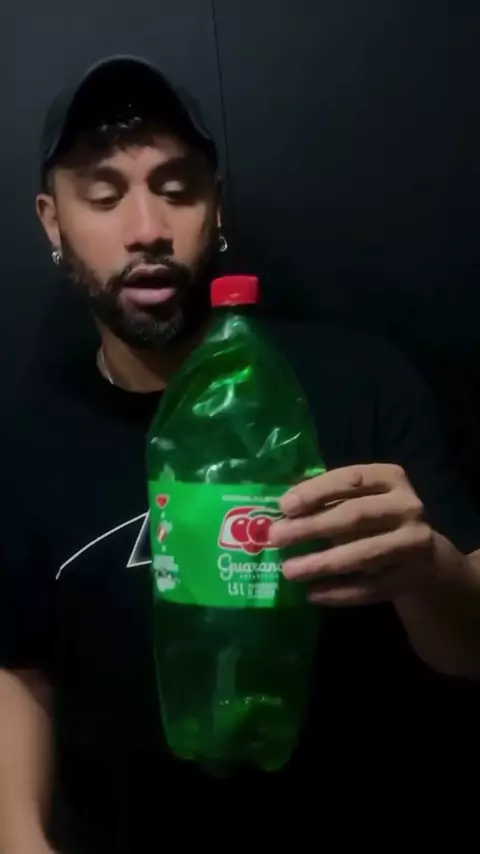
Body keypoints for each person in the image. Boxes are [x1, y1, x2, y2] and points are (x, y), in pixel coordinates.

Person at [1, 54, 480, 854]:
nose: (147, 228)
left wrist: (431, 570)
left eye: (177, 188)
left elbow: (472, 650)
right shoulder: (25, 443)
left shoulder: (358, 383)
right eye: (105, 195)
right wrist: (18, 834)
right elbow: (19, 665)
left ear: (216, 204)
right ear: (53, 222)